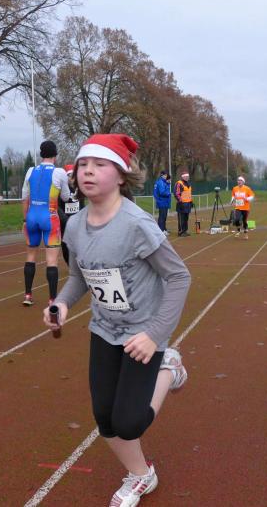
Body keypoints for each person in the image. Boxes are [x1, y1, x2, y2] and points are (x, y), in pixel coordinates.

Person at [45, 133, 191, 507]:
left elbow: (179, 277)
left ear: (122, 175)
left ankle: (169, 368)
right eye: (83, 164)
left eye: (99, 164)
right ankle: (142, 475)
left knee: (130, 422)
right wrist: (62, 304)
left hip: (143, 333)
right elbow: (79, 277)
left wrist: (155, 334)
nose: (87, 171)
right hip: (104, 329)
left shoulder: (137, 224)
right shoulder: (75, 225)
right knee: (105, 419)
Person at [21, 140, 70, 306]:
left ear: (41, 155)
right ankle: (52, 300)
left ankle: (28, 295)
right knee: (51, 261)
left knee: (30, 257)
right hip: (50, 218)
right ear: (55, 155)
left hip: (32, 217)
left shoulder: (30, 171)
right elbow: (65, 197)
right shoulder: (59, 172)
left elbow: (24, 198)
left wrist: (25, 220)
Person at [59, 163, 82, 266]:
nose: (71, 178)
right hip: (65, 222)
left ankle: (79, 264)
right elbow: (57, 206)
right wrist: (64, 219)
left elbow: (82, 204)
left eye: (73, 175)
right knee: (65, 245)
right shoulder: (61, 189)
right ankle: (70, 263)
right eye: (69, 175)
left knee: (78, 244)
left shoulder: (80, 188)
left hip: (77, 221)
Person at [173, 171, 193, 237]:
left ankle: (185, 230)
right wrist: (180, 201)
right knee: (181, 218)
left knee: (186, 218)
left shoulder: (188, 184)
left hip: (188, 204)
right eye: (186, 176)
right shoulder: (179, 183)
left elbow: (189, 193)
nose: (187, 177)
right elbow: (176, 194)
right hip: (181, 204)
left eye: (188, 176)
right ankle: (181, 231)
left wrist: (191, 201)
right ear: (183, 177)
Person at [152, 170, 171, 235]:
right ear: (161, 175)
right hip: (162, 201)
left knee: (164, 216)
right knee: (162, 217)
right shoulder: (161, 182)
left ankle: (164, 229)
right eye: (165, 175)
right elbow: (162, 192)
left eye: (166, 175)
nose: (166, 176)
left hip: (164, 201)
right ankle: (161, 230)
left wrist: (168, 184)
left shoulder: (163, 182)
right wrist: (168, 193)